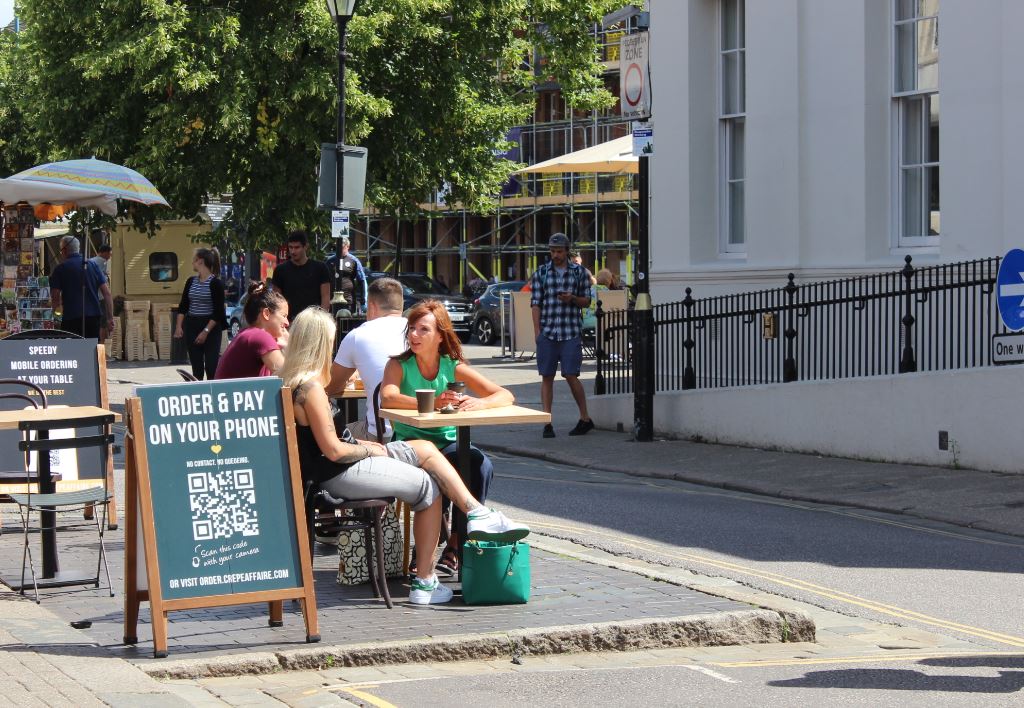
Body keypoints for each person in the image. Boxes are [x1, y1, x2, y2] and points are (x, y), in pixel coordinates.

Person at [280, 307, 528, 605]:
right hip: (340, 472)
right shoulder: (312, 389)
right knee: (428, 485)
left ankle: (476, 514)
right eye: (332, 342)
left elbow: (327, 444)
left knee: (427, 450)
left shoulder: (293, 383)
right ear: (320, 344)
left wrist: (363, 445)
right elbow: (333, 449)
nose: (333, 349)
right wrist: (368, 447)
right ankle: (424, 583)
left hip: (338, 465)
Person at [381, 299, 512, 575]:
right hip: (411, 445)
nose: (414, 335)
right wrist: (432, 403)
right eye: (412, 328)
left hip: (447, 442)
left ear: (440, 336)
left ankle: (455, 543)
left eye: (423, 330)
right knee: (434, 476)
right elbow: (389, 396)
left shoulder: (451, 366)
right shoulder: (399, 364)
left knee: (479, 466)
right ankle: (425, 548)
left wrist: (480, 404)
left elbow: (505, 395)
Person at [326, 276, 407, 441]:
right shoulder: (418, 331)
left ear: (371, 306)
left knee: (328, 436)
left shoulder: (358, 335)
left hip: (382, 434)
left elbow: (331, 386)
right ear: (402, 305)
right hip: (422, 430)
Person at [530, 232, 594, 438]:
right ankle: (546, 423)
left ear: (567, 251)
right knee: (546, 376)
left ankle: (585, 418)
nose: (555, 255)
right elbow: (536, 303)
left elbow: (587, 301)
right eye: (552, 251)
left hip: (570, 331)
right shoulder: (541, 273)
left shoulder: (580, 273)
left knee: (570, 375)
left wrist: (573, 298)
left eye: (558, 251)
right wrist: (537, 331)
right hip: (548, 332)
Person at [214, 282, 288, 379]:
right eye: (284, 316)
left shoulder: (249, 334)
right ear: (266, 313)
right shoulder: (260, 336)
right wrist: (290, 345)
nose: (287, 322)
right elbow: (288, 376)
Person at [174, 248, 227, 380]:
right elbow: (183, 305)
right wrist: (179, 326)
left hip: (211, 327)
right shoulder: (191, 281)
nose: (192, 263)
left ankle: (212, 393)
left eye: (194, 260)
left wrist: (205, 331)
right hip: (192, 324)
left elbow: (218, 312)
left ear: (200, 262)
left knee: (211, 365)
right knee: (196, 367)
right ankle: (197, 393)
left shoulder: (216, 283)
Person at [50, 235, 114, 340]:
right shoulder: (93, 265)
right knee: (92, 350)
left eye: (61, 251)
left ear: (64, 250)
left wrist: (55, 316)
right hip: (93, 317)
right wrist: (110, 318)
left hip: (71, 318)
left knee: (73, 352)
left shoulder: (61, 269)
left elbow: (55, 296)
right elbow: (107, 293)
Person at [272, 230, 331, 322]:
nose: (293, 251)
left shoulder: (320, 268)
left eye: (297, 247)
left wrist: (322, 321)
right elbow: (276, 300)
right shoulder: (280, 270)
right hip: (290, 322)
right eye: (290, 247)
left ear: (305, 246)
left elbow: (326, 297)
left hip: (314, 322)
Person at [326, 237, 366, 314]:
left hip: (348, 300)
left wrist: (362, 300)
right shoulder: (330, 261)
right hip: (332, 300)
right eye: (338, 247)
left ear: (348, 246)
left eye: (342, 247)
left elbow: (361, 279)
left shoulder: (354, 260)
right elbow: (325, 280)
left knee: (347, 322)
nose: (339, 249)